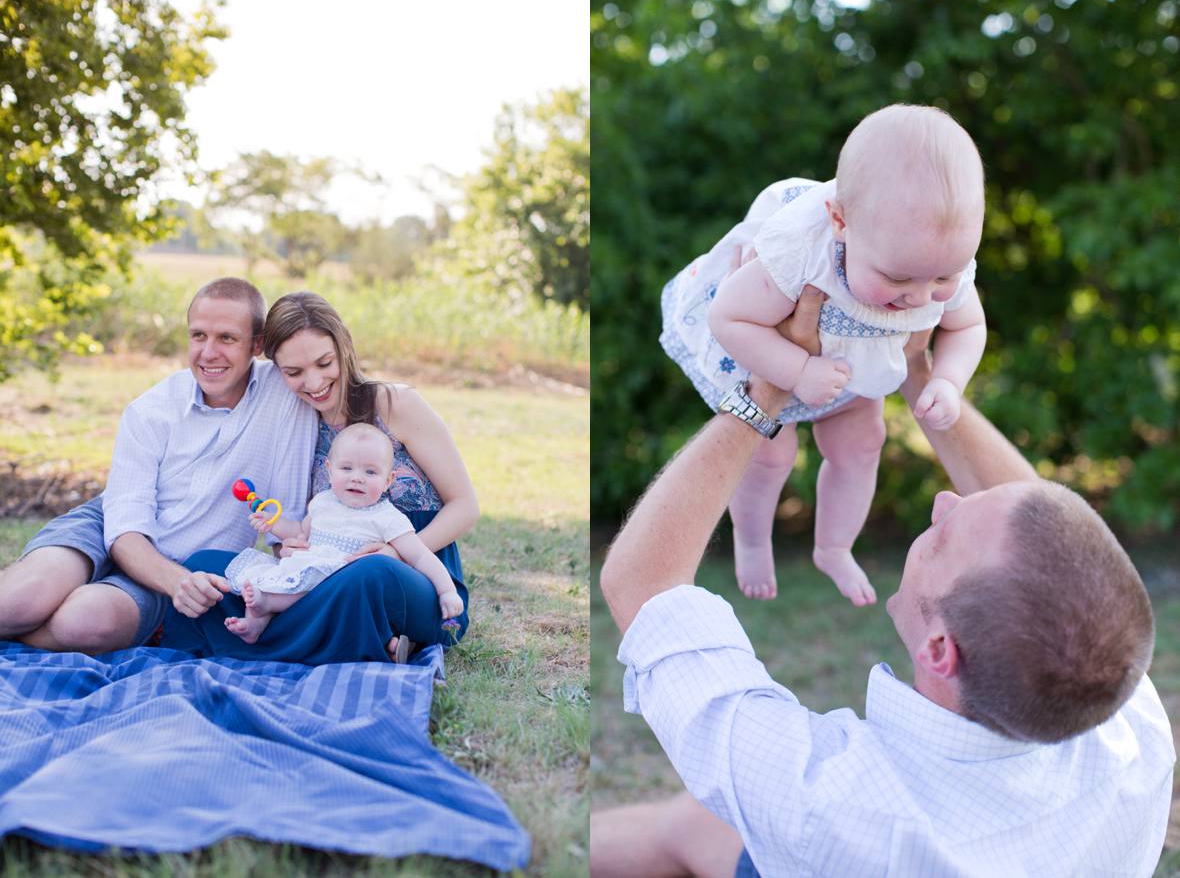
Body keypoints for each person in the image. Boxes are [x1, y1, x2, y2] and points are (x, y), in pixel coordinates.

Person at [591, 289, 1175, 877]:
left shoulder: (834, 805)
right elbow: (1056, 551)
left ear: (941, 648)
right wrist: (919, 376)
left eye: (944, 537)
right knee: (696, 825)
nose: (946, 502)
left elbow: (642, 583)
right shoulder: (1129, 727)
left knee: (691, 829)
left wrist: (766, 384)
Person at [660, 104, 987, 606]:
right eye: (899, 279)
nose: (922, 297)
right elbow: (729, 318)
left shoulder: (939, 257)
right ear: (840, 222)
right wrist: (798, 369)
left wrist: (947, 380)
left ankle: (834, 546)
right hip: (770, 357)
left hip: (854, 376)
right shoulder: (799, 253)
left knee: (862, 444)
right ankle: (751, 539)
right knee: (770, 454)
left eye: (942, 278)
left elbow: (967, 326)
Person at [0, 278, 318, 653]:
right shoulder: (151, 409)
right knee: (17, 603)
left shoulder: (284, 397)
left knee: (83, 622)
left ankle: (43, 619)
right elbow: (124, 526)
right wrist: (175, 581)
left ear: (258, 344)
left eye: (227, 339)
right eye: (198, 336)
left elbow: (284, 522)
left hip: (182, 569)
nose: (208, 352)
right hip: (112, 529)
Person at [161, 291, 478, 663]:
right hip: (322, 572)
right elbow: (296, 529)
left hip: (411, 577)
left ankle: (267, 643)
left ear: (343, 347)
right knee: (206, 566)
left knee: (369, 574)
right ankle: (349, 641)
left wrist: (397, 552)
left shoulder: (395, 405)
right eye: (293, 373)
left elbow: (465, 506)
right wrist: (289, 547)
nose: (314, 383)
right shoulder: (296, 421)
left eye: (324, 363)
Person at [223, 423, 463, 652]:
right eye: (346, 468)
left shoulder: (387, 518)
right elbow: (299, 533)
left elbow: (421, 556)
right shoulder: (322, 502)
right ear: (329, 469)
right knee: (267, 575)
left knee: (299, 589)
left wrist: (447, 591)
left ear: (388, 480)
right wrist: (272, 524)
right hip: (307, 567)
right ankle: (255, 624)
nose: (356, 477)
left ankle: (267, 605)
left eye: (370, 471)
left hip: (339, 584)